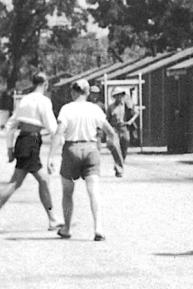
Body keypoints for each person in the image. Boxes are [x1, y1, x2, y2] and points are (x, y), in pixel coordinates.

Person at [47, 79, 122, 241]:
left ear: (73, 92)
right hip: (91, 149)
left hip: (71, 149)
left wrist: (51, 157)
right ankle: (98, 229)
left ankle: (66, 228)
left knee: (68, 192)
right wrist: (112, 145)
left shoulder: (66, 109)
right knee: (93, 191)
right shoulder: (95, 109)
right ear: (88, 92)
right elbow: (110, 132)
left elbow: (59, 133)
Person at [0, 72, 63, 230]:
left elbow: (10, 125)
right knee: (17, 182)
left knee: (39, 181)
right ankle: (53, 219)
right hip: (32, 142)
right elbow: (52, 127)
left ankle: (52, 218)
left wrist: (9, 148)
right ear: (46, 84)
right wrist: (60, 139)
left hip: (23, 140)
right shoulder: (44, 101)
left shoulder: (24, 100)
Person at [106, 88, 138, 168]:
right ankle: (119, 166)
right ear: (114, 97)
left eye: (121, 95)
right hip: (115, 129)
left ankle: (120, 162)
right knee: (116, 147)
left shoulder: (127, 105)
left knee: (125, 146)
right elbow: (107, 119)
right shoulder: (111, 107)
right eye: (117, 95)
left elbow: (136, 113)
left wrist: (130, 121)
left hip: (124, 128)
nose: (119, 97)